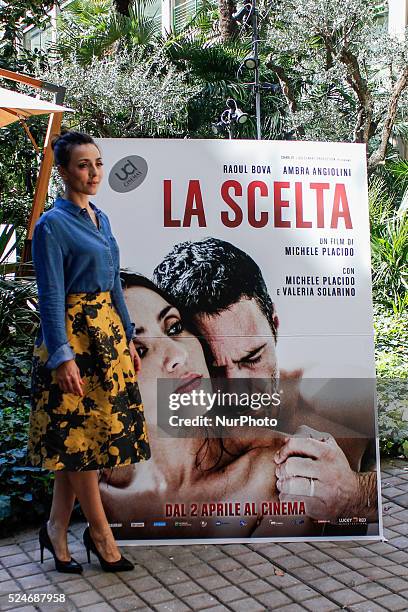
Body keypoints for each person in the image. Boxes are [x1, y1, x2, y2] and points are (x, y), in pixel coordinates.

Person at [153, 238, 378, 524]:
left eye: (251, 358)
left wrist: (357, 495)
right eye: (213, 367)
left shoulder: (338, 395)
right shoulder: (163, 424)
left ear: (274, 324)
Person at [27, 131, 150, 574]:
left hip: (108, 342)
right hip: (74, 341)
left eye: (98, 163)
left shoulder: (102, 218)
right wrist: (61, 356)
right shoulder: (52, 225)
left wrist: (128, 338)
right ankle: (100, 534)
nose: (94, 172)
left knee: (82, 442)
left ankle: (56, 527)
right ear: (63, 171)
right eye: (83, 165)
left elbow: (115, 282)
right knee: (81, 442)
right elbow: (51, 294)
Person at [100, 274, 303, 538]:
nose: (178, 354)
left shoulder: (277, 468)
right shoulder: (99, 490)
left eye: (174, 327)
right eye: (138, 350)